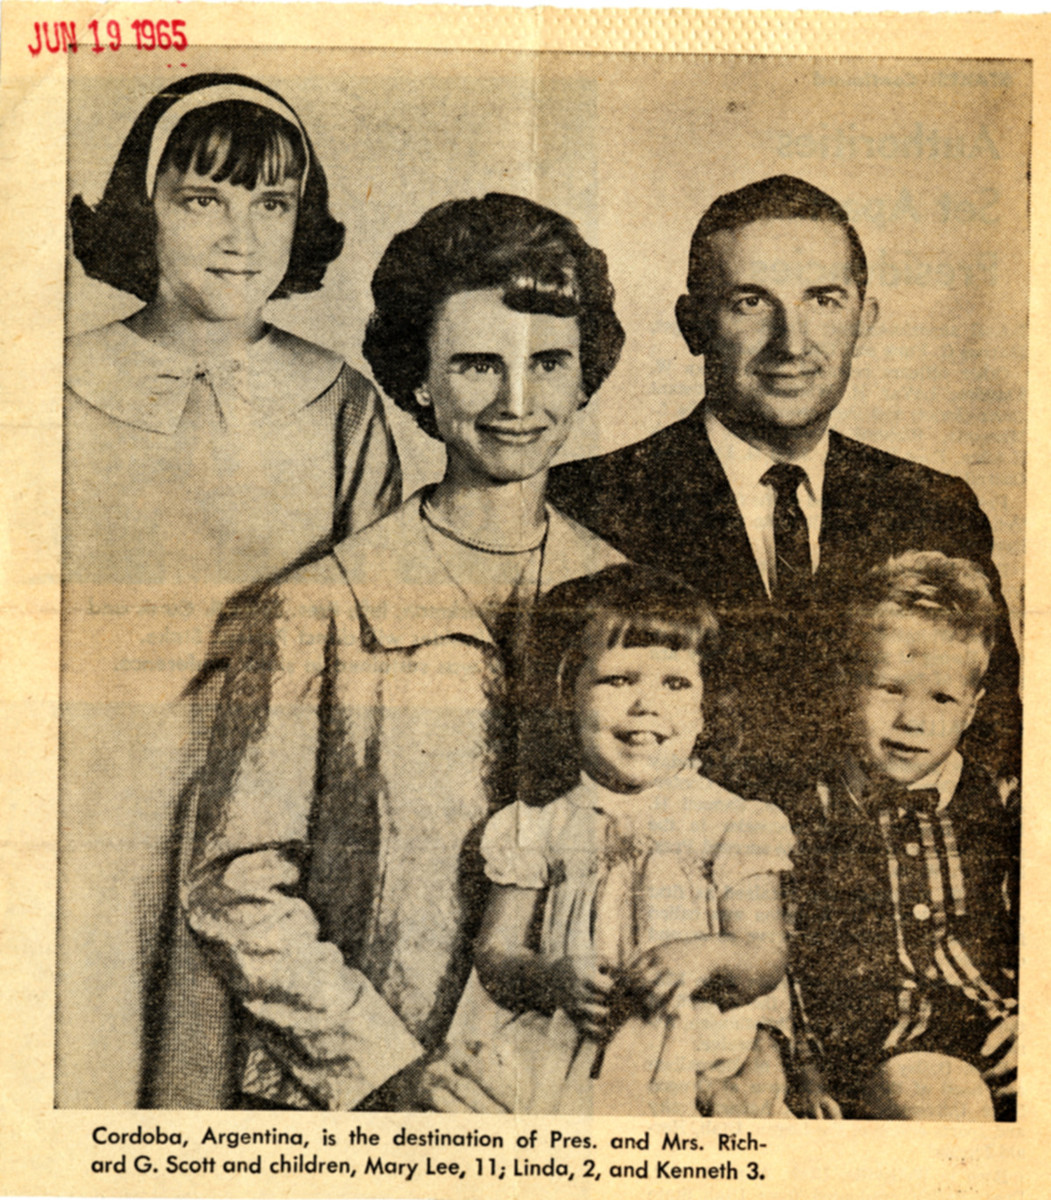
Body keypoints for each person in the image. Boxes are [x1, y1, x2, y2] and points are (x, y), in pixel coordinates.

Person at [181, 193, 627, 1110]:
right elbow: (234, 892)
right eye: (475, 364)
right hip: (369, 1106)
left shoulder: (630, 596)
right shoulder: (316, 608)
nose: (516, 401)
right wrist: (385, 1069)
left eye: (548, 363)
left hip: (584, 1091)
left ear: (585, 377)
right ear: (417, 378)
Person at [59, 73, 400, 1108]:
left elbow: (372, 650)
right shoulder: (49, 386)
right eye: (202, 198)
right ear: (141, 208)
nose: (239, 235)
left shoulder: (341, 403)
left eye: (271, 203)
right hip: (84, 798)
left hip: (254, 818)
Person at [547, 175, 1021, 805]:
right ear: (692, 325)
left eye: (822, 300)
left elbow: (998, 740)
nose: (792, 343)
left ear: (864, 318)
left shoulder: (934, 507)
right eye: (751, 302)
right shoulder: (589, 501)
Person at [437, 564, 794, 1116]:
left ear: (704, 708)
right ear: (567, 694)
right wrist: (550, 978)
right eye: (618, 679)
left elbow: (765, 955)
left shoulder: (733, 821)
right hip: (563, 1059)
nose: (646, 704)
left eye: (675, 684)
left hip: (692, 1058)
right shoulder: (536, 824)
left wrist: (704, 956)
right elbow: (496, 953)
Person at [790, 552, 1018, 1121]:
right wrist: (806, 1066)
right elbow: (784, 954)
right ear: (847, 685)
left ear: (972, 709)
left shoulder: (1004, 807)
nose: (911, 720)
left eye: (940, 698)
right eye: (891, 689)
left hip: (1003, 1036)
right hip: (881, 1049)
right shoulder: (806, 812)